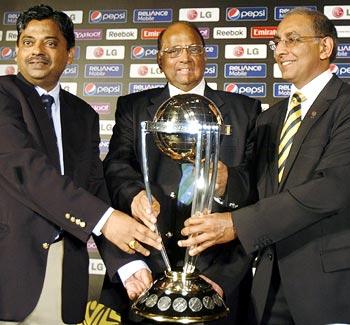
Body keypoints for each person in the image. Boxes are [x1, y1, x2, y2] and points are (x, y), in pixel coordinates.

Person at [179, 8, 350, 325]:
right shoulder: (271, 117)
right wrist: (225, 181)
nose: (281, 50)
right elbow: (258, 190)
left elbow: (333, 188)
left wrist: (235, 225)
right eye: (277, 42)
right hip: (268, 288)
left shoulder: (346, 103)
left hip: (331, 290)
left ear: (325, 48)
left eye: (293, 39)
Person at [0, 5, 162, 325]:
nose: (36, 51)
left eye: (49, 42)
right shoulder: (2, 95)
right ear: (17, 49)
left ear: (69, 53)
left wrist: (127, 264)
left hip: (67, 281)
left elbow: (94, 186)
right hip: (9, 273)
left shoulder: (83, 114)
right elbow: (26, 170)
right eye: (28, 42)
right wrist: (106, 220)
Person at [100, 21, 261, 324]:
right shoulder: (132, 108)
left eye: (192, 49)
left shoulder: (245, 110)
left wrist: (226, 183)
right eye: (173, 51)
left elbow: (258, 190)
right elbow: (117, 166)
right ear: (159, 60)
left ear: (204, 54)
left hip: (218, 278)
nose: (184, 58)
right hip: (147, 274)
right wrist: (135, 195)